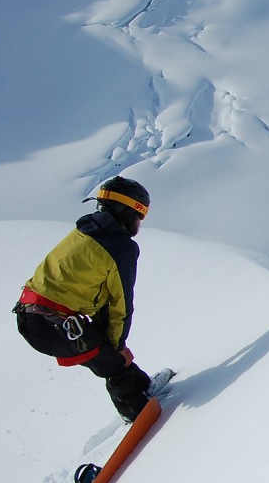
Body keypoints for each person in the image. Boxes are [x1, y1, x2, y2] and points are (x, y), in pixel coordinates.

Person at [13, 177, 163, 423]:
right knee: (112, 361)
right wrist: (118, 344)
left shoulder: (86, 230)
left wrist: (114, 344)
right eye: (141, 213)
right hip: (52, 323)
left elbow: (99, 297)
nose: (141, 221)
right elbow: (120, 304)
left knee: (108, 352)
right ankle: (137, 415)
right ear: (128, 211)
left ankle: (144, 387)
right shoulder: (120, 247)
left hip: (39, 316)